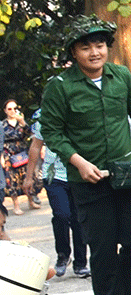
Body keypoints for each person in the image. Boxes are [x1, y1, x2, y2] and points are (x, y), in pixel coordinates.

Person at [39, 16, 131, 295]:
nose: (95, 52)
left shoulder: (122, 77)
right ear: (73, 52)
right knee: (103, 249)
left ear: (108, 48)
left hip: (125, 173)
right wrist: (78, 162)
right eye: (86, 47)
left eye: (100, 45)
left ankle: (126, 293)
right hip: (87, 181)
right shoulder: (60, 87)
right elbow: (52, 131)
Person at [24, 111, 89, 278]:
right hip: (54, 176)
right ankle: (63, 255)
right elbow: (35, 147)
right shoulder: (44, 118)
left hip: (77, 174)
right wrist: (29, 177)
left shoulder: (79, 113)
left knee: (78, 218)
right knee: (61, 215)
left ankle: (81, 263)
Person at [3, 101, 39, 214]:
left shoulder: (21, 122)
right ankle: (16, 205)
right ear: (5, 111)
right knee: (12, 179)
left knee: (26, 176)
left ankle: (31, 201)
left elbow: (31, 133)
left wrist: (22, 122)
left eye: (15, 108)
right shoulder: (2, 125)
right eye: (9, 109)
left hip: (22, 152)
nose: (12, 111)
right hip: (9, 154)